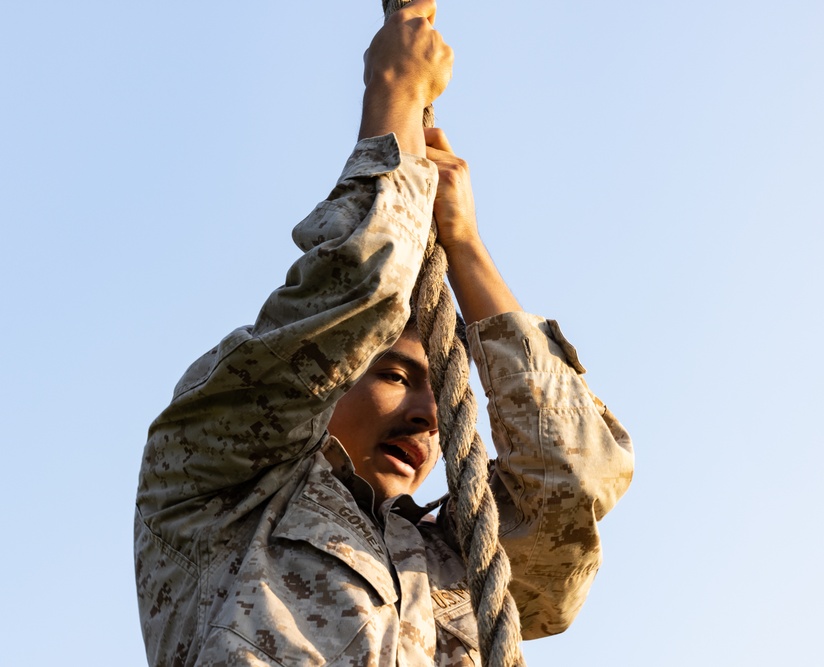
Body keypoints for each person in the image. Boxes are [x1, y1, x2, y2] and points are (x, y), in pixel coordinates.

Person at [135, 2, 633, 664]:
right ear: (328, 378)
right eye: (396, 377)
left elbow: (576, 476)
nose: (430, 417)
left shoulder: (453, 561)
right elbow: (353, 296)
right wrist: (393, 95)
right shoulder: (217, 478)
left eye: (437, 394)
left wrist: (466, 246)